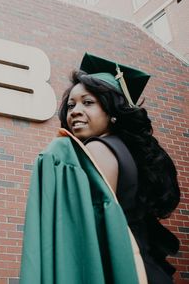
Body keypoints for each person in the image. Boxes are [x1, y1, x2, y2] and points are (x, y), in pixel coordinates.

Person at [19, 53, 180, 284]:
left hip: (116, 270)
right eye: (71, 105)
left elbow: (85, 232)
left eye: (88, 102)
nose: (74, 111)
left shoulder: (96, 149)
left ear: (111, 111)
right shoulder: (125, 151)